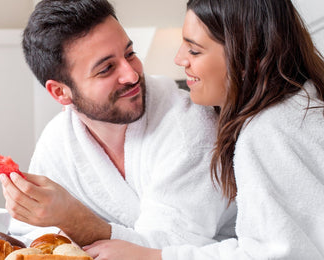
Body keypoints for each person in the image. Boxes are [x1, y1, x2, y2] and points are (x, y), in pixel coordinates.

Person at [84, 0, 324, 259]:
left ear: (250, 59)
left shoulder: (266, 133)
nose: (179, 59)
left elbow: (274, 254)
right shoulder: (303, 103)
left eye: (194, 51)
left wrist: (152, 256)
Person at [0, 0, 237, 249]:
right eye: (107, 69)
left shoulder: (189, 127)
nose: (132, 75)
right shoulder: (59, 139)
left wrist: (73, 220)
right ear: (60, 92)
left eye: (130, 54)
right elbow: (32, 237)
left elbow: (170, 249)